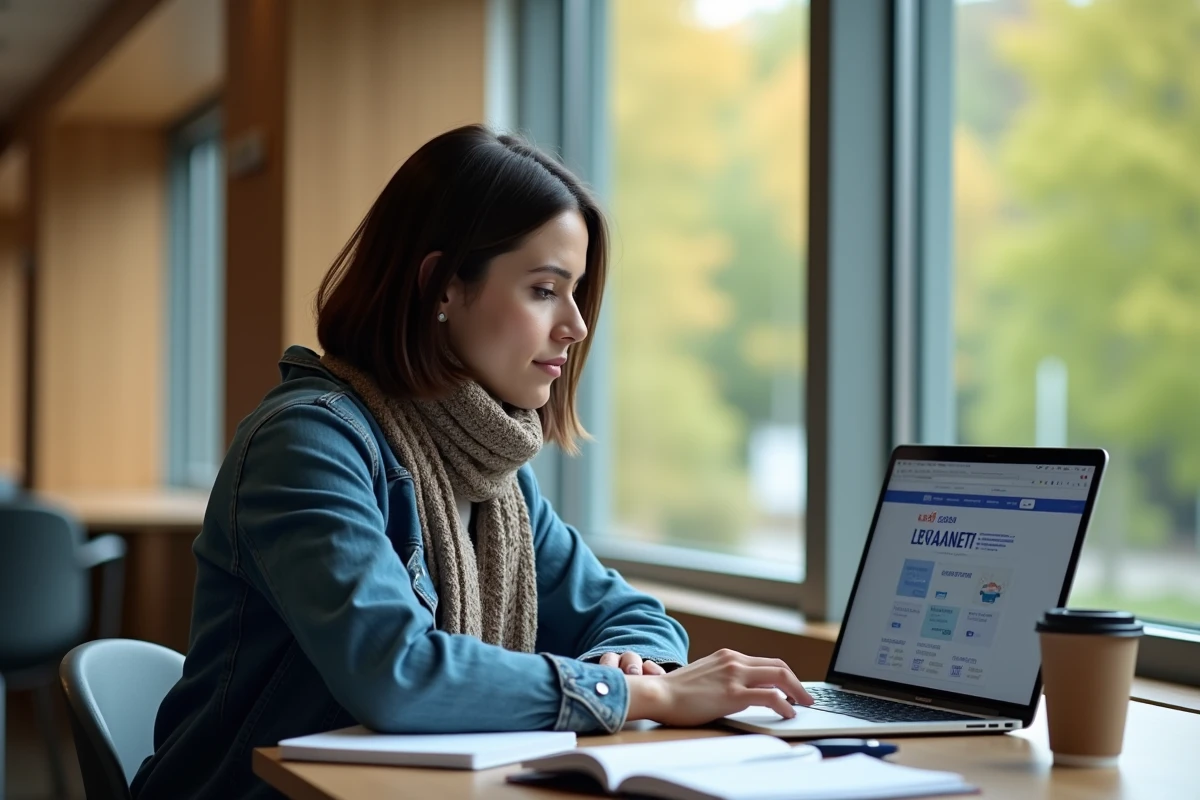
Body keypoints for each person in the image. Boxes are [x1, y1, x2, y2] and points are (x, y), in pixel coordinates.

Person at [131, 124, 812, 799]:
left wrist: (636, 663)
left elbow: (631, 613)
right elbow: (395, 672)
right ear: (443, 288)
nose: (575, 325)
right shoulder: (307, 443)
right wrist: (639, 695)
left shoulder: (491, 477)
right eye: (545, 289)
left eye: (576, 292)